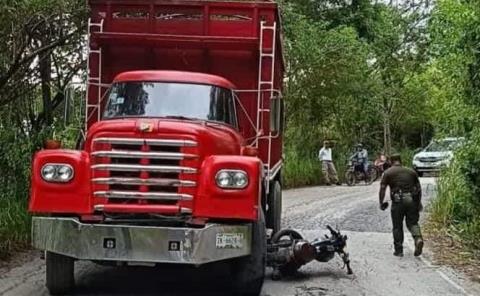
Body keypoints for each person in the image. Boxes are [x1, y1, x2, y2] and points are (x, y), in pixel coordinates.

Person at [379, 154, 424, 257]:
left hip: (398, 201)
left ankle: (399, 251)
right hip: (412, 200)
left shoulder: (388, 172)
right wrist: (419, 202)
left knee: (397, 226)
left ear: (391, 161)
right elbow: (418, 188)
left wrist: (381, 202)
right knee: (413, 223)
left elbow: (382, 188)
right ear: (400, 160)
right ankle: (418, 239)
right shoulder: (411, 172)